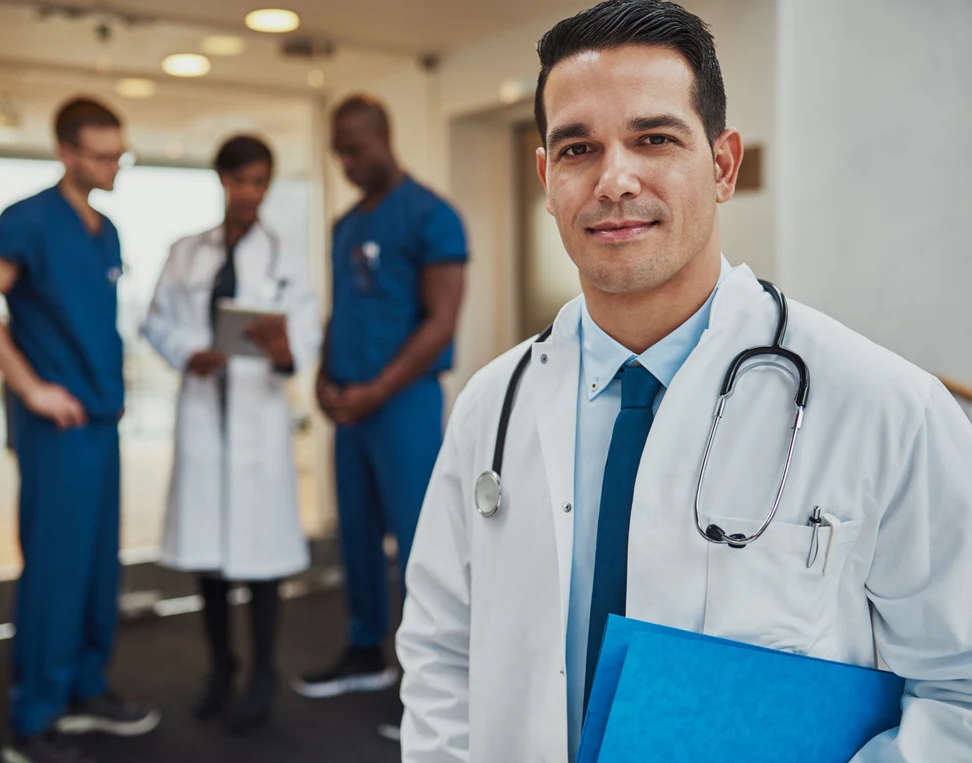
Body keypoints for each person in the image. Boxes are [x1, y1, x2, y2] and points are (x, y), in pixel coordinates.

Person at [396, 1, 972, 761]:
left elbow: (957, 686)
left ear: (723, 165)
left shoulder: (888, 408)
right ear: (546, 177)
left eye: (654, 138)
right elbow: (440, 649)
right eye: (577, 149)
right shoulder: (491, 405)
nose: (614, 180)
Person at [0, 97, 159, 763]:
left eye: (119, 154)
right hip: (58, 427)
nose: (113, 166)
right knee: (56, 567)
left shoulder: (107, 229)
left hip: (102, 423)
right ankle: (33, 716)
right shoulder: (29, 219)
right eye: (101, 155)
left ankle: (83, 688)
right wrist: (30, 384)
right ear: (66, 152)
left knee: (101, 567)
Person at [293, 95, 467, 740]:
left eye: (355, 148)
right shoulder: (344, 224)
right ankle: (365, 651)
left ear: (384, 138)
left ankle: (432, 683)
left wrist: (378, 390)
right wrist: (323, 377)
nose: (345, 161)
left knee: (420, 544)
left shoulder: (432, 216)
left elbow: (440, 320)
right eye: (337, 149)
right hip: (351, 409)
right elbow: (341, 311)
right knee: (357, 537)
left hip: (405, 406)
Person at [142, 135, 321, 733]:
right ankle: (222, 666)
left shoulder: (285, 256)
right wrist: (185, 353)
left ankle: (263, 671)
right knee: (210, 561)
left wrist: (282, 349)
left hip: (257, 417)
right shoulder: (186, 252)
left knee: (263, 559)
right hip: (203, 412)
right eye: (242, 181)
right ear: (222, 181)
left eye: (261, 182)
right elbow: (156, 320)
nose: (251, 193)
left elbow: (304, 342)